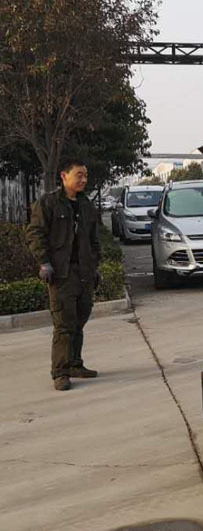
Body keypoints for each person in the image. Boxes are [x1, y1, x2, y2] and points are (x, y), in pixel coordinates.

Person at [26, 158, 101, 391]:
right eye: (79, 175)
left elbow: (93, 240)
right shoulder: (48, 203)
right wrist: (44, 262)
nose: (83, 179)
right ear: (63, 176)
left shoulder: (86, 205)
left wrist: (95, 265)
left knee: (80, 319)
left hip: (84, 273)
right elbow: (35, 234)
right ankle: (59, 371)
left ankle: (75, 364)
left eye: (85, 175)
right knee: (63, 324)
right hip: (61, 274)